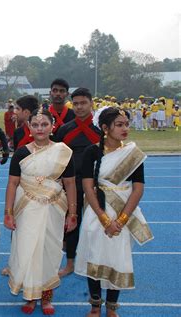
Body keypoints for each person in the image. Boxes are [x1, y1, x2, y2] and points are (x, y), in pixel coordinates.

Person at [75, 107, 153, 317]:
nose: (125, 128)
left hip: (123, 212)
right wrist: (103, 218)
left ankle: (111, 308)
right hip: (96, 211)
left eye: (126, 124)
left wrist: (121, 220)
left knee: (117, 258)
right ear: (105, 128)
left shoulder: (132, 154)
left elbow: (138, 188)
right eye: (119, 125)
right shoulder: (91, 152)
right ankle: (94, 306)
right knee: (95, 255)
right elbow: (87, 187)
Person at [4, 108, 77, 316]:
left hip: (54, 208)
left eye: (44, 124)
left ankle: (46, 297)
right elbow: (12, 184)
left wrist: (73, 213)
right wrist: (8, 212)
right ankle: (30, 295)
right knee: (27, 248)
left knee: (49, 250)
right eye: (35, 125)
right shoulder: (21, 152)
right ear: (28, 127)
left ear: (52, 126)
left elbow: (70, 184)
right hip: (26, 208)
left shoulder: (63, 152)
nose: (40, 128)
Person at [55, 88, 101, 277]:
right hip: (71, 184)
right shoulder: (64, 130)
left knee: (96, 224)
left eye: (84, 103)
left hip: (96, 184)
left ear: (91, 104)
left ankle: (96, 262)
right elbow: (55, 155)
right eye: (76, 104)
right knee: (72, 222)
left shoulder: (101, 130)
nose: (80, 107)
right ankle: (70, 263)